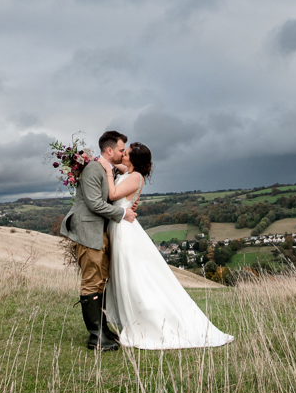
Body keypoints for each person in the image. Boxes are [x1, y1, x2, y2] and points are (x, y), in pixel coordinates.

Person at [99, 142, 234, 350]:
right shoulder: (129, 171)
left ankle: (148, 319)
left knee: (133, 275)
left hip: (125, 232)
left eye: (126, 153)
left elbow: (113, 195)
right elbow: (120, 168)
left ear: (133, 159)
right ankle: (128, 318)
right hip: (120, 228)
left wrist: (108, 171)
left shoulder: (136, 177)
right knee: (125, 274)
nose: (122, 155)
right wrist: (106, 162)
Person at [59, 130, 137, 351]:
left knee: (100, 279)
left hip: (98, 232)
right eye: (121, 150)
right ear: (110, 150)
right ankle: (96, 337)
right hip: (87, 233)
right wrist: (122, 214)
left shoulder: (105, 168)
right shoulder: (94, 169)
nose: (123, 154)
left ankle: (102, 329)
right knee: (92, 280)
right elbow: (94, 204)